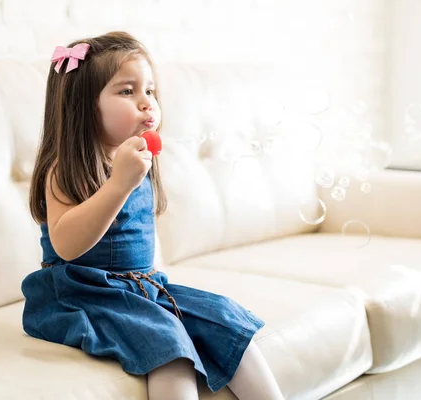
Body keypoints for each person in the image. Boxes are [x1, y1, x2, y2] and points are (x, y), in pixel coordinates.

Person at [22, 31, 286, 400]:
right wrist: (118, 186)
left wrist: (127, 178)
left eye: (151, 91)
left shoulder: (137, 160)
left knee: (226, 323)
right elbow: (67, 246)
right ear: (82, 105)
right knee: (169, 346)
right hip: (81, 293)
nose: (147, 104)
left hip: (144, 287)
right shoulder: (65, 169)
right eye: (127, 91)